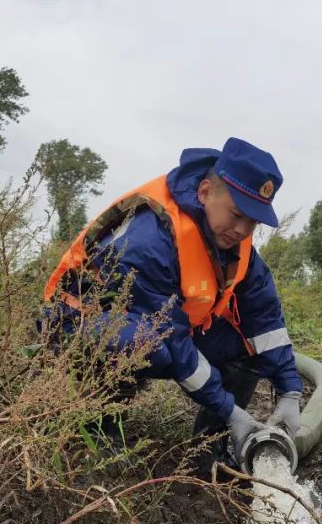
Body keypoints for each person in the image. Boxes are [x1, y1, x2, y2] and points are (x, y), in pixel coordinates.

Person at [40, 137, 302, 475]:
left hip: (164, 326)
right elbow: (171, 342)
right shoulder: (149, 239)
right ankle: (99, 437)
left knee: (248, 348)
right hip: (80, 323)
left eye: (253, 221)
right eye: (237, 215)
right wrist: (231, 409)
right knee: (139, 343)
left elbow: (264, 318)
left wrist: (290, 391)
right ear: (206, 192)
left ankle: (210, 449)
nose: (243, 230)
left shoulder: (236, 241)